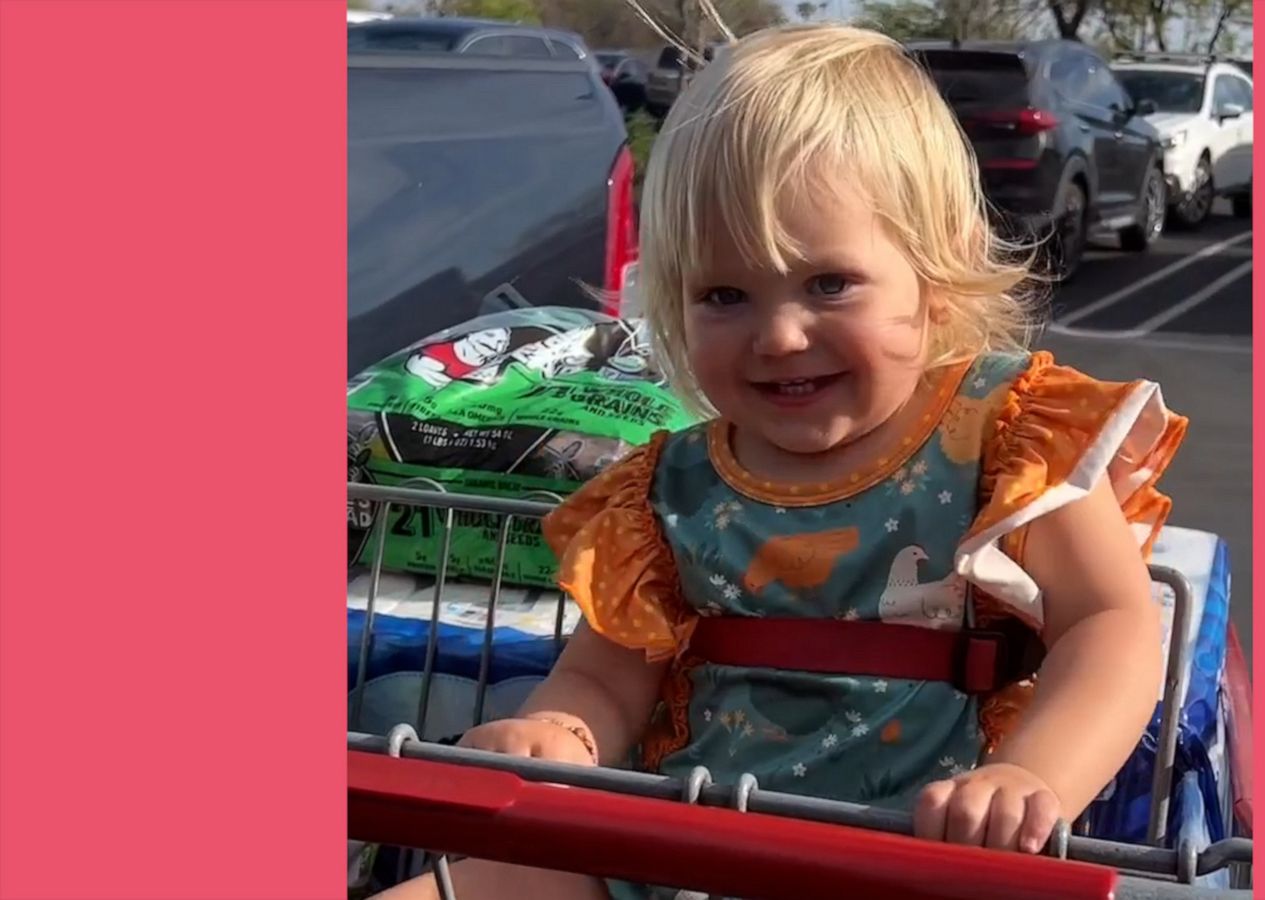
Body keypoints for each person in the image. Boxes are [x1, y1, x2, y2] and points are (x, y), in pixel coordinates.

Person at [376, 20, 1187, 900]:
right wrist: (559, 733)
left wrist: (1034, 779)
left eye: (828, 283)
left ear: (934, 271)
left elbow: (1108, 626)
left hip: (916, 860)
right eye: (725, 294)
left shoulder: (1003, 439)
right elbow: (611, 677)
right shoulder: (665, 490)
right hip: (673, 849)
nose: (779, 335)